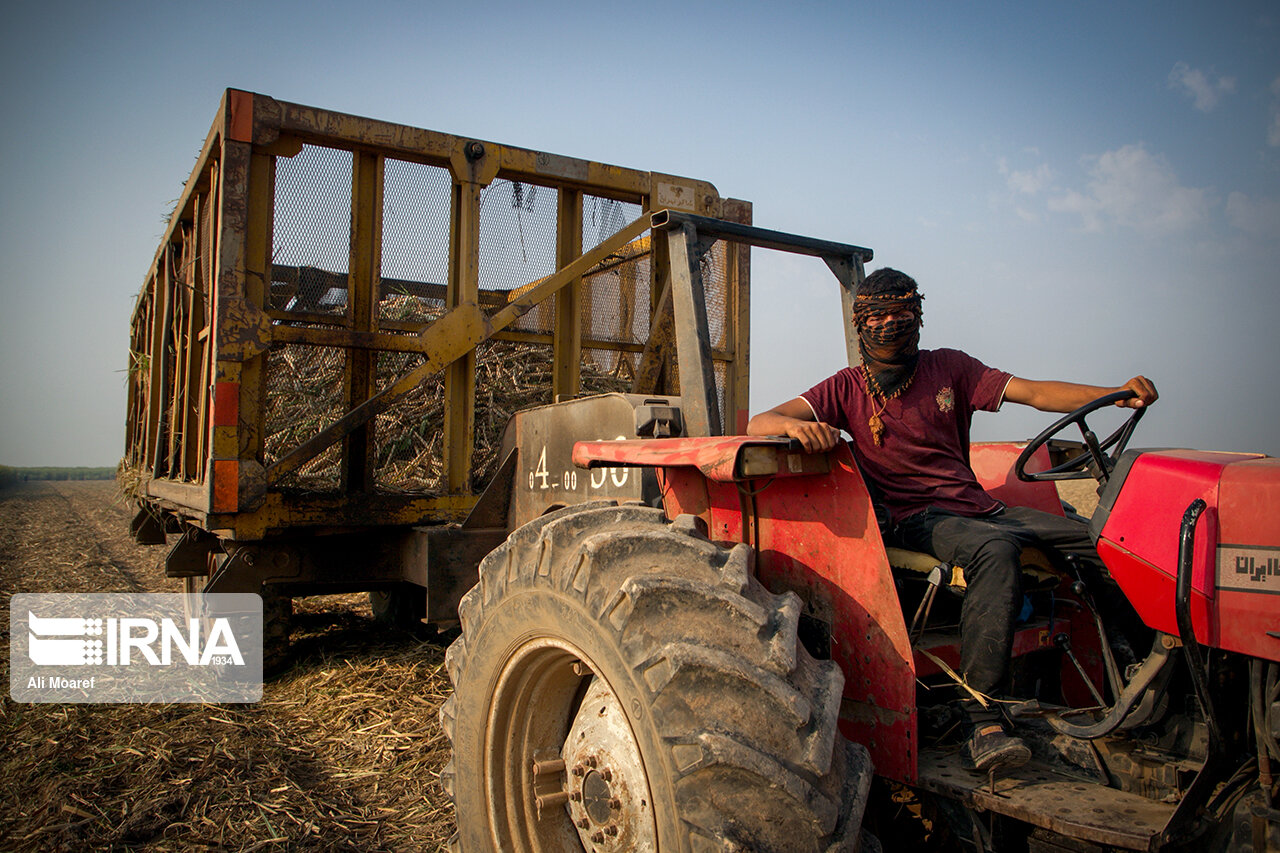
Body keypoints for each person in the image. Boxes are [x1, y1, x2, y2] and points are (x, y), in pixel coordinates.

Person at [746, 267, 1157, 773]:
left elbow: (1033, 392)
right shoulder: (847, 388)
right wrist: (796, 428)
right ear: (861, 324)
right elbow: (759, 423)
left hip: (979, 507)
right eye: (879, 315)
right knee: (994, 551)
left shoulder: (951, 369)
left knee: (1105, 539)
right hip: (914, 517)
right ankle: (980, 715)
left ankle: (1135, 663)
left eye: (902, 312)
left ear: (919, 315)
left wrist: (1114, 393)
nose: (892, 323)